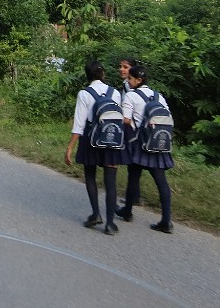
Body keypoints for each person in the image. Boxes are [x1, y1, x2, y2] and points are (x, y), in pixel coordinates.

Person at [64, 60, 128, 234]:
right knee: (111, 182)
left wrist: (70, 147)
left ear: (87, 75)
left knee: (90, 176)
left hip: (90, 139)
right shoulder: (114, 92)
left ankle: (95, 214)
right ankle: (109, 224)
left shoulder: (84, 94)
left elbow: (79, 124)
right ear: (103, 74)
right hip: (112, 139)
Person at [115, 64, 175, 233]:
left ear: (138, 80)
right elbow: (168, 117)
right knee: (161, 181)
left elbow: (125, 119)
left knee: (133, 175)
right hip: (157, 143)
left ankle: (127, 211)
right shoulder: (158, 96)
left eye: (130, 78)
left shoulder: (131, 96)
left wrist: (132, 125)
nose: (128, 80)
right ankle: (166, 220)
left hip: (138, 142)